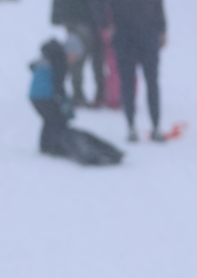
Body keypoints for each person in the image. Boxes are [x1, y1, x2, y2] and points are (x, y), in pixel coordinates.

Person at [29, 38, 123, 165]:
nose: (75, 59)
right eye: (75, 55)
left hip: (35, 96)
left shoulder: (52, 56)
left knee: (50, 120)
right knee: (57, 120)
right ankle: (55, 146)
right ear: (69, 51)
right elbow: (58, 85)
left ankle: (47, 146)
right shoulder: (59, 59)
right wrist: (65, 101)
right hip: (45, 96)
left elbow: (33, 66)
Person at [109, 0, 167, 142]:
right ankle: (131, 126)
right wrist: (106, 24)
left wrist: (163, 29)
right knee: (128, 82)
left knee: (151, 82)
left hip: (148, 33)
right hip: (125, 34)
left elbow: (158, 6)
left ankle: (156, 126)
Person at [51, 0, 105, 107]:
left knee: (81, 60)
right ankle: (91, 95)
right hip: (86, 21)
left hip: (82, 20)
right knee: (85, 60)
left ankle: (83, 94)